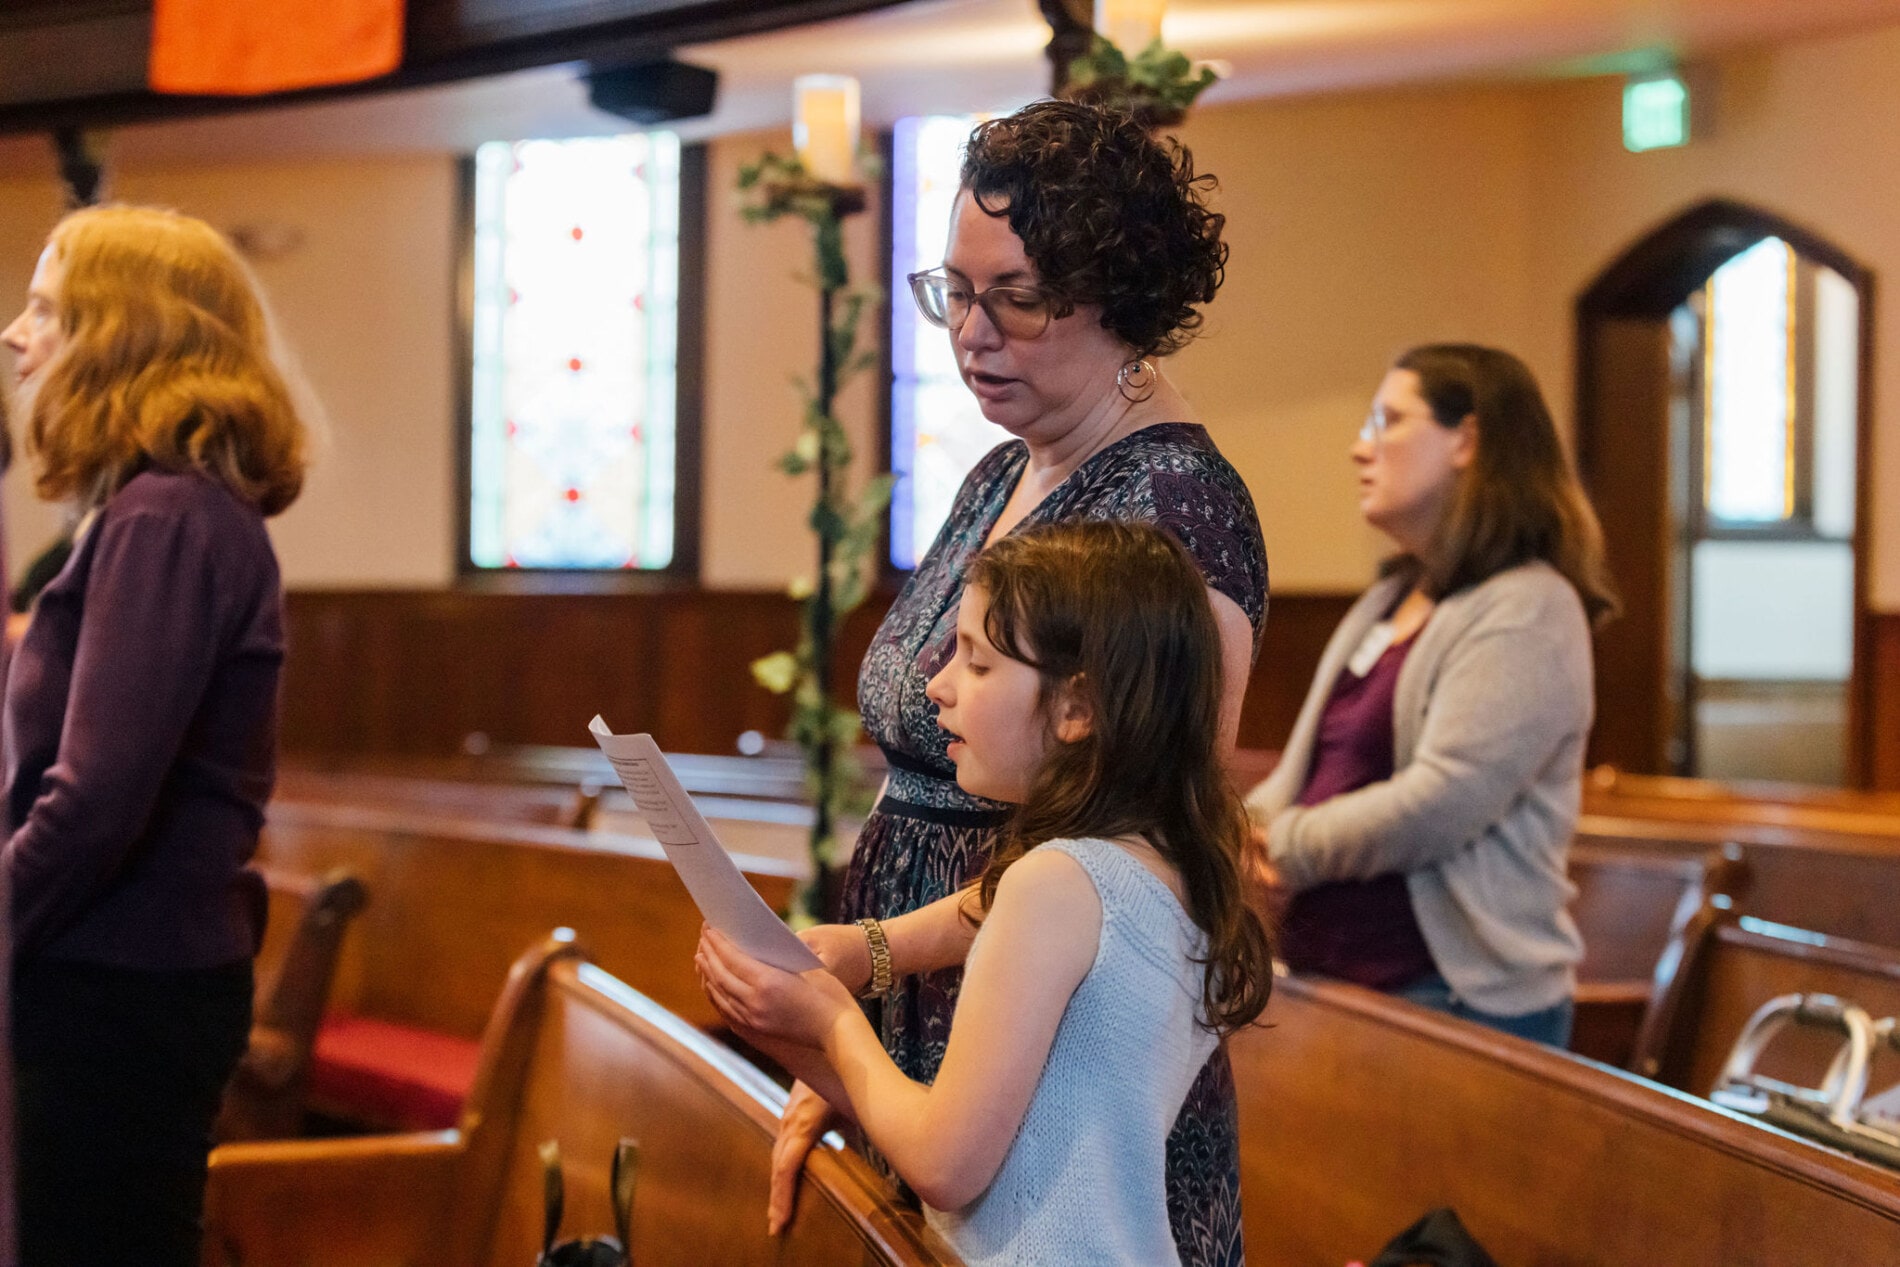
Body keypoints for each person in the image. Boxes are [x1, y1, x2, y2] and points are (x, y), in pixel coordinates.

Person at [770, 100, 1268, 1266]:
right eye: (954, 289)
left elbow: (1149, 840)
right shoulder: (1001, 470)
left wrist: (866, 975)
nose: (970, 332)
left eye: (1017, 295)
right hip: (927, 1038)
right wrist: (864, 1003)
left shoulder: (1174, 511)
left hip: (1052, 1092)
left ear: (1118, 296)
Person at [699, 521, 1273, 1266]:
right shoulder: (1171, 864)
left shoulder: (1055, 883)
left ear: (1077, 706)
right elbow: (1015, 1141)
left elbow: (946, 1164)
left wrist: (834, 1018)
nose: (938, 686)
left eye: (976, 661)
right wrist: (782, 1023)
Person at [1, 205, 307, 1265]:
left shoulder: (165, 518)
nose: (14, 332)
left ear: (120, 331)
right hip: (111, 975)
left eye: (44, 307)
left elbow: (94, 799)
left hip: (118, 989)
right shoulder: (156, 510)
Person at [1245, 344, 1617, 1046]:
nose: (1362, 447)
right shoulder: (1388, 599)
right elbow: (1304, 772)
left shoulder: (1529, 607)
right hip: (1337, 976)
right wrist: (1225, 836)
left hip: (1457, 1000)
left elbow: (1442, 801)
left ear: (1468, 440)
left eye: (1387, 421)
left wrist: (1276, 844)